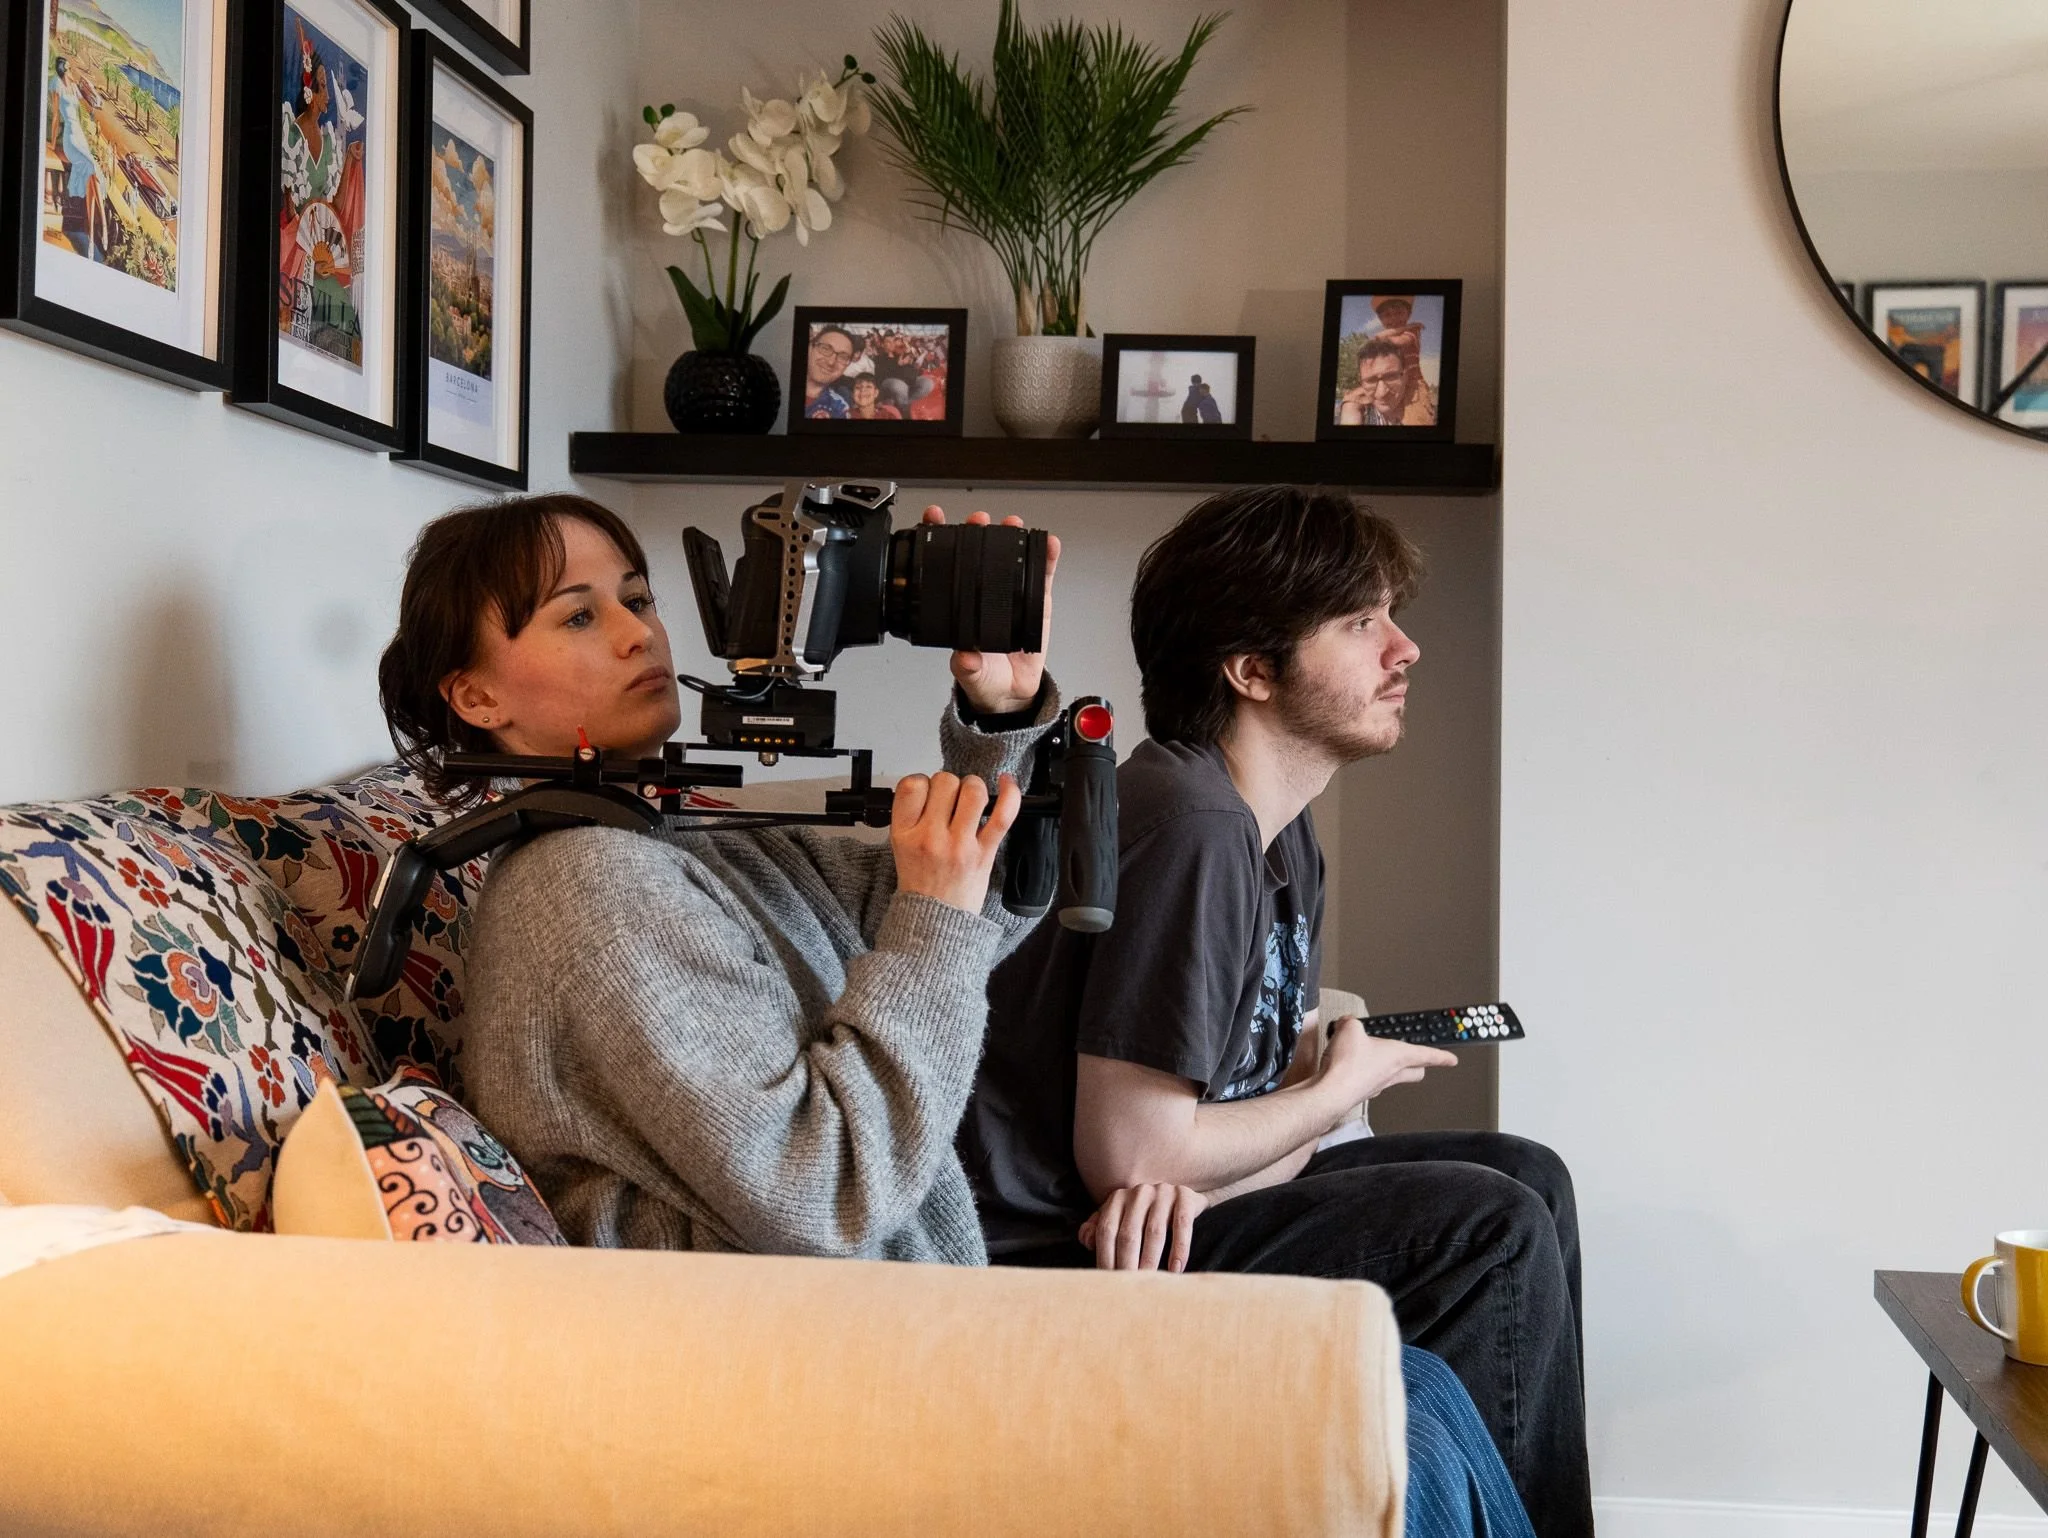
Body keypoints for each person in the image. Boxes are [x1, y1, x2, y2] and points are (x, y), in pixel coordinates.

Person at [961, 485, 1591, 1535]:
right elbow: (1131, 1153)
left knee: (1526, 1173)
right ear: (1250, 669)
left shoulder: (1279, 833)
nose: (1405, 649)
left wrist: (1213, 1171)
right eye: (1359, 622)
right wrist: (1335, 1086)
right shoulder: (1189, 821)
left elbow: (1220, 1146)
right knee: (1489, 1227)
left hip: (1154, 1225)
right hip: (1058, 1255)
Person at [377, 492, 1062, 1262]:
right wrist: (934, 921)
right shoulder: (589, 884)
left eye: (637, 598)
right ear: (477, 696)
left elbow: (987, 912)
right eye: (578, 616)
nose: (638, 634)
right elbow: (825, 1191)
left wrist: (999, 716)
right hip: (783, 1358)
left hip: (878, 1325)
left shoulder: (676, 833)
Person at [1338, 336, 1437, 427]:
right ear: (1362, 383)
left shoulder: (1429, 415)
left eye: (1391, 377)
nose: (1382, 393)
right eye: (1371, 380)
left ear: (1405, 376)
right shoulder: (1356, 413)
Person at [802, 326, 857, 417]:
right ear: (810, 347)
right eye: (825, 349)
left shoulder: (839, 408)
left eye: (843, 357)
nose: (831, 362)